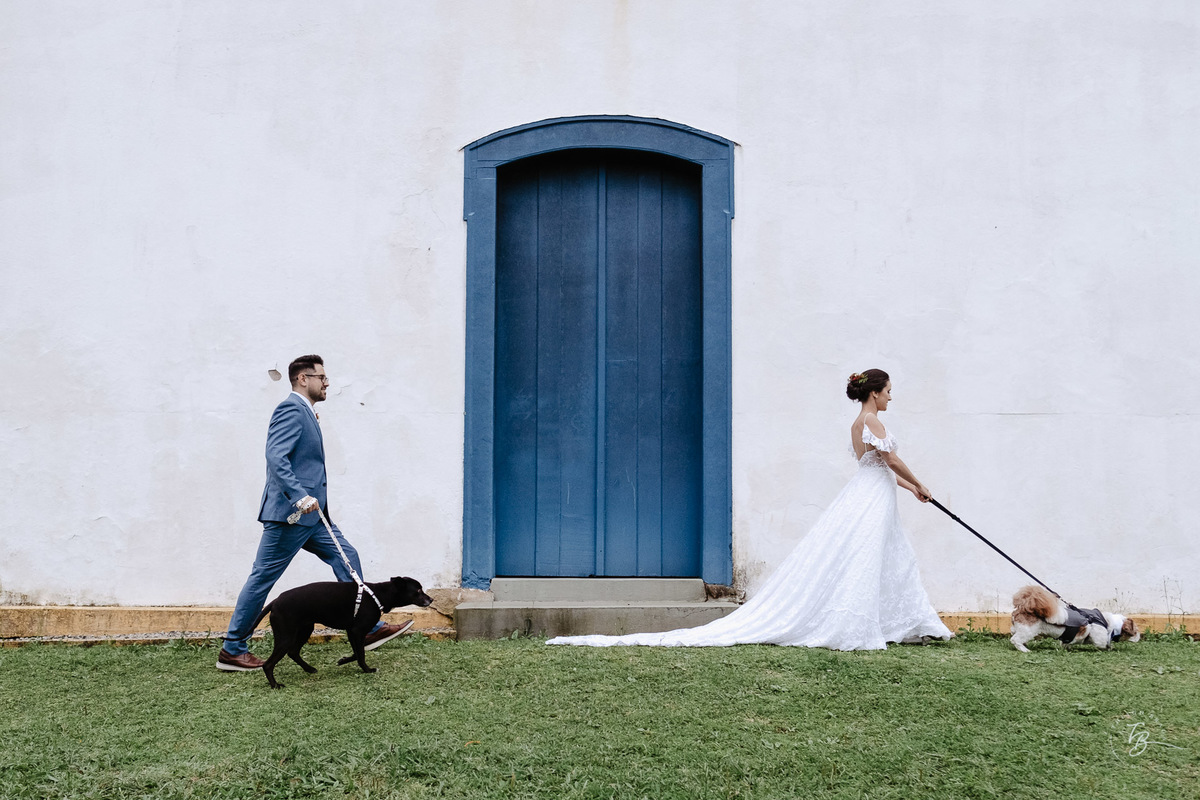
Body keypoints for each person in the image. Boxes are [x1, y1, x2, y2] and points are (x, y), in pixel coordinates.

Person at [547, 369, 952, 651]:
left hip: (869, 492)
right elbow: (892, 461)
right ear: (875, 392)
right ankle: (865, 623)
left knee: (883, 555)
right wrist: (918, 483)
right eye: (889, 391)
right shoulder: (873, 422)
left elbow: (876, 469)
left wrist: (909, 488)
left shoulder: (856, 424)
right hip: (872, 498)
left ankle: (896, 620)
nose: (891, 397)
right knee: (871, 556)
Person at [217, 355, 410, 671]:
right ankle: (233, 648)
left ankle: (369, 628)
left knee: (346, 554)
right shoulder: (290, 409)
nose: (327, 382)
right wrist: (299, 496)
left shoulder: (307, 412)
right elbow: (276, 456)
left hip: (315, 518)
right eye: (322, 376)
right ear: (303, 379)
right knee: (262, 579)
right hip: (291, 515)